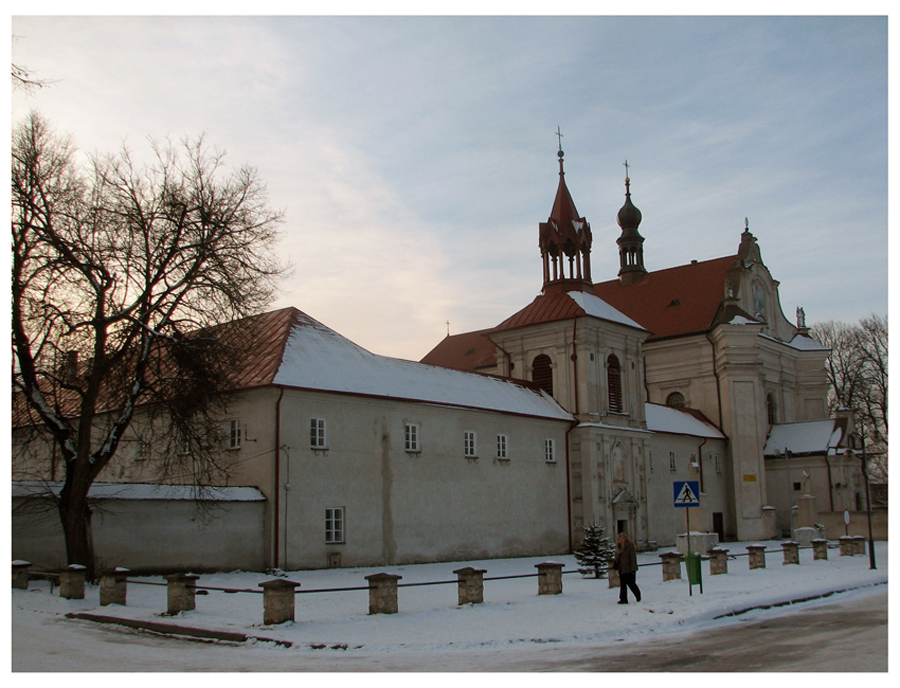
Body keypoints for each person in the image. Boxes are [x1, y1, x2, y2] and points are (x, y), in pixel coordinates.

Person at [613, 531, 641, 604]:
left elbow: (632, 558)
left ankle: (638, 596)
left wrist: (633, 569)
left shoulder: (630, 546)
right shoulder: (618, 547)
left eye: (621, 539)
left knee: (631, 584)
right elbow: (617, 556)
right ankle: (623, 599)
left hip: (628, 568)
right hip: (622, 568)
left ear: (625, 539)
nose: (620, 541)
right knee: (622, 585)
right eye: (619, 540)